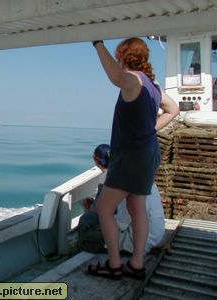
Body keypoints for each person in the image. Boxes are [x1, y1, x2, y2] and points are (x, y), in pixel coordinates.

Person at [87, 38, 179, 280]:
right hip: (148, 153)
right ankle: (137, 264)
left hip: (130, 156)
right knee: (137, 208)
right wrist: (150, 129)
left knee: (105, 208)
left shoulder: (132, 81)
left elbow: (116, 77)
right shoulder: (152, 85)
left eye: (118, 56)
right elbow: (174, 109)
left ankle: (115, 265)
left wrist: (98, 43)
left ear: (122, 57)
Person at [77, 144, 165, 254]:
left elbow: (120, 223)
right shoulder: (147, 180)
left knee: (86, 239)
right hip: (157, 235)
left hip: (141, 242)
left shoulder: (125, 184)